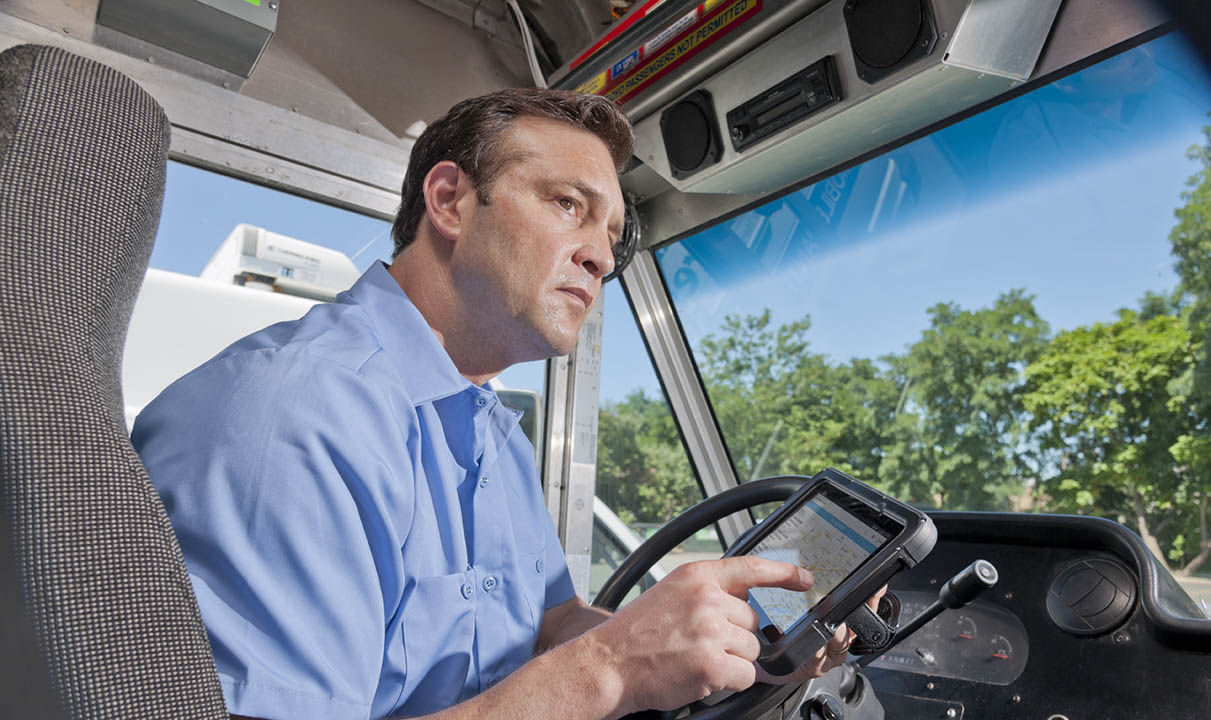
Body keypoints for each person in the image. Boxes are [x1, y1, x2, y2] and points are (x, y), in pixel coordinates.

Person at [133, 88, 870, 720]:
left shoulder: (488, 426)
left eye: (612, 235)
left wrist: (699, 641)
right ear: (450, 200)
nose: (602, 257)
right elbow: (586, 663)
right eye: (568, 205)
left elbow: (547, 624)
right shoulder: (293, 418)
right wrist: (610, 667)